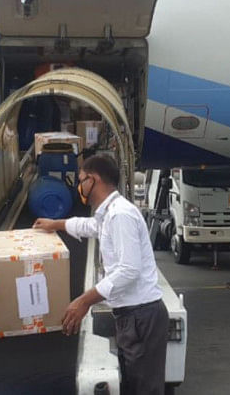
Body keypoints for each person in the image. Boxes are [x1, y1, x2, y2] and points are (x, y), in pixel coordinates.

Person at [33, 155, 168, 395]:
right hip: (132, 316)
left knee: (144, 389)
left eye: (81, 180)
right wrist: (56, 224)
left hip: (141, 317)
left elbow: (129, 270)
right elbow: (91, 226)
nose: (79, 187)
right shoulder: (108, 214)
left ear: (93, 179)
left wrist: (84, 301)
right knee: (132, 385)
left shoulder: (120, 215)